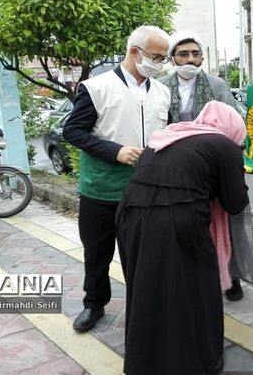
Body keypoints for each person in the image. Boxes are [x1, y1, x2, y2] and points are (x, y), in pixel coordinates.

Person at [117, 101, 249, 375]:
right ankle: (196, 361)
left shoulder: (172, 134)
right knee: (195, 290)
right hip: (176, 219)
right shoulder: (225, 146)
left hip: (130, 214)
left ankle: (144, 362)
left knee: (147, 289)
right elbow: (235, 202)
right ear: (233, 129)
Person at [62, 25, 170, 332]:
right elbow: (72, 131)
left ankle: (142, 307)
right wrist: (115, 151)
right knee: (97, 252)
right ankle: (94, 304)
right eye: (156, 56)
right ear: (135, 52)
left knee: (141, 254)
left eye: (164, 58)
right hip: (101, 190)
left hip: (144, 190)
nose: (160, 63)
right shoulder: (96, 88)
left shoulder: (162, 92)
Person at [160, 30, 253, 302]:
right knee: (190, 223)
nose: (190, 59)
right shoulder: (161, 85)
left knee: (228, 220)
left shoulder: (216, 85)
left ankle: (233, 276)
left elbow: (233, 122)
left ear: (202, 57)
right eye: (183, 54)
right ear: (172, 58)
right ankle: (196, 275)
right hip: (178, 167)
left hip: (214, 163)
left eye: (195, 53)